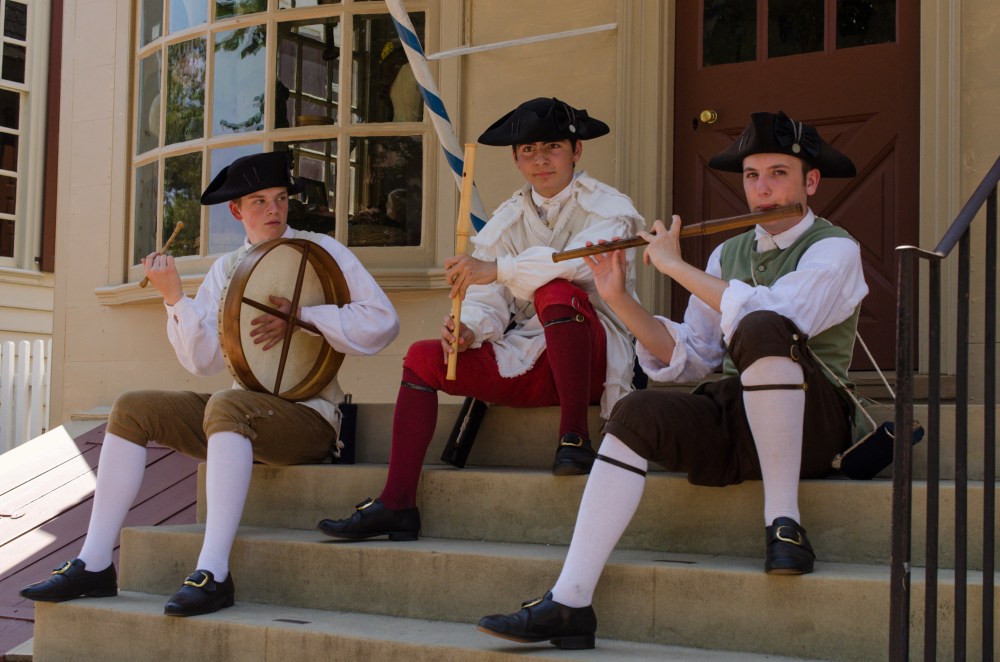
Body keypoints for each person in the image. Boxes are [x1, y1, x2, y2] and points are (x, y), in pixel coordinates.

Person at [477, 111, 868, 650]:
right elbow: (694, 356)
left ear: (811, 182)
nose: (762, 189)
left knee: (761, 325)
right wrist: (619, 298)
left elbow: (780, 317)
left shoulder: (836, 248)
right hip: (741, 420)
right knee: (635, 411)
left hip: (815, 425)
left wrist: (676, 268)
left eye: (778, 174)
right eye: (752, 176)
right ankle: (570, 601)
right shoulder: (728, 253)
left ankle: (785, 524)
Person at [19, 151, 399, 617]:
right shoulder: (227, 268)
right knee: (133, 406)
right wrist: (173, 297)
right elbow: (204, 361)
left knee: (226, 404)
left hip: (312, 419)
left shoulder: (320, 252)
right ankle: (94, 563)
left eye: (280, 198)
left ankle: (213, 573)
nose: (274, 210)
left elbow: (383, 323)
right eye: (259, 201)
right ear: (236, 211)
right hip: (240, 418)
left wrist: (303, 316)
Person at [317, 97, 645, 542]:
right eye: (528, 150)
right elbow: (488, 297)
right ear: (515, 159)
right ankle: (397, 503)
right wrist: (469, 328)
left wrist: (500, 269)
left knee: (556, 292)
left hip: (593, 360)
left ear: (576, 151)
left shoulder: (611, 206)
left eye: (552, 147)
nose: (540, 160)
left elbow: (580, 263)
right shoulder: (507, 219)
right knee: (422, 358)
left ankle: (574, 439)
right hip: (530, 357)